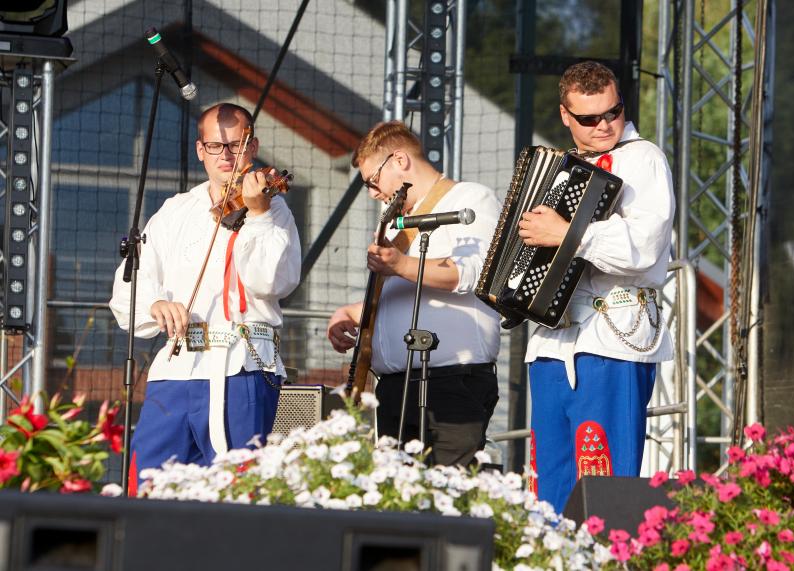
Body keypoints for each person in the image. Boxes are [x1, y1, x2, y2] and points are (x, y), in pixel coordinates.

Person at [110, 103, 301, 493]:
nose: (225, 155)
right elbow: (129, 285)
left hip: (243, 366)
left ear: (253, 147)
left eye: (236, 145)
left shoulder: (274, 210)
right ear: (201, 150)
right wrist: (155, 304)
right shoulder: (175, 210)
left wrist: (258, 215)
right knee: (148, 485)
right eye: (215, 146)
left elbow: (270, 283)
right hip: (176, 369)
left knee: (237, 489)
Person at [518, 61, 675, 513]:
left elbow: (645, 245)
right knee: (548, 481)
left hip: (614, 332)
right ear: (565, 115)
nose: (605, 125)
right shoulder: (557, 167)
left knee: (604, 484)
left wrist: (568, 234)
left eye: (614, 112)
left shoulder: (643, 157)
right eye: (589, 118)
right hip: (552, 340)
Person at [326, 121, 501, 466]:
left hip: (450, 382)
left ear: (400, 160)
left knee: (448, 489)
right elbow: (408, 296)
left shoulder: (470, 198)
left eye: (373, 180)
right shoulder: (398, 222)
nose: (373, 192)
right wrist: (350, 313)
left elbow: (475, 272)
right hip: (395, 386)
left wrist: (400, 264)